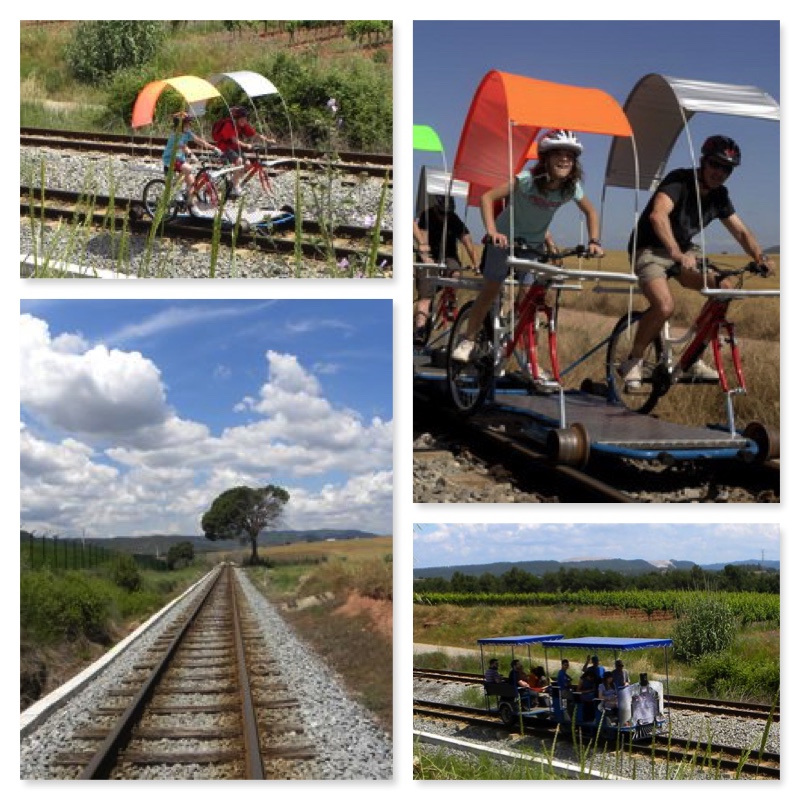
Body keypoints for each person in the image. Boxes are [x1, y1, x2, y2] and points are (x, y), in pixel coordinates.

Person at [619, 134, 775, 390]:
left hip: (684, 252)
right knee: (664, 306)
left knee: (724, 289)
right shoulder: (679, 179)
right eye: (715, 164)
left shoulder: (719, 195)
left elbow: (741, 232)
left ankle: (693, 359)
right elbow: (658, 216)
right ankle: (634, 359)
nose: (719, 172)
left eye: (727, 169)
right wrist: (676, 253)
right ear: (703, 161)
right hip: (650, 249)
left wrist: (760, 257)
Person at [451, 129, 604, 366]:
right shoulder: (526, 180)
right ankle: (468, 339)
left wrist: (594, 241)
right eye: (558, 154)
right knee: (492, 288)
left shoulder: (571, 188)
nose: (565, 159)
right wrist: (492, 233)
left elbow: (591, 211)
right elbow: (487, 198)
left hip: (532, 245)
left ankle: (521, 347)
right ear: (545, 158)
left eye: (570, 156)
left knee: (530, 298)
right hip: (505, 241)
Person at [413, 196, 478, 346]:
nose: (444, 217)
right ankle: (420, 328)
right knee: (426, 296)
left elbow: (466, 239)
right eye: (441, 213)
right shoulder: (426, 215)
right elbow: (422, 238)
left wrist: (475, 263)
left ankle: (450, 299)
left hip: (448, 256)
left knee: (455, 271)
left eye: (447, 214)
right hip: (429, 256)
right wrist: (424, 255)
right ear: (436, 209)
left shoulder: (454, 219)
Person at [161, 112, 220, 214]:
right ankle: (176, 190)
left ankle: (192, 206)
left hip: (180, 160)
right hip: (170, 159)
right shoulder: (175, 135)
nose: (189, 125)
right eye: (187, 123)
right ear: (180, 125)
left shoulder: (187, 133)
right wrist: (191, 155)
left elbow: (199, 141)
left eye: (189, 123)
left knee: (192, 184)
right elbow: (183, 147)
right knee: (188, 169)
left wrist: (213, 148)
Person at [212, 105, 276, 199]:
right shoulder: (228, 125)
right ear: (236, 119)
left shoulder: (243, 124)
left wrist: (267, 140)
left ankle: (232, 182)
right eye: (242, 119)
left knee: (248, 164)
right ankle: (235, 186)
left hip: (235, 147)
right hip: (224, 147)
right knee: (239, 161)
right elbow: (234, 140)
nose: (245, 121)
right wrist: (246, 145)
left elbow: (255, 134)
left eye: (245, 119)